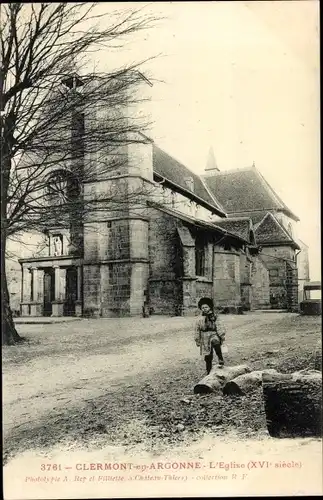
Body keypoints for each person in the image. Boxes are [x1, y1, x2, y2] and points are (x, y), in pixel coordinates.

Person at [194, 297, 226, 374]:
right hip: (204, 337)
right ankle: (208, 371)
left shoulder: (215, 316)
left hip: (213, 333)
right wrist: (197, 339)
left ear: (210, 307)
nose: (204, 309)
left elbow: (219, 325)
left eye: (206, 307)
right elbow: (197, 330)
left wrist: (221, 335)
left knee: (215, 342)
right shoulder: (199, 319)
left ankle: (220, 357)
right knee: (208, 356)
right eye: (203, 307)